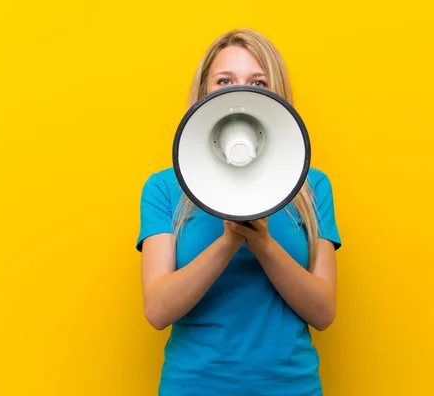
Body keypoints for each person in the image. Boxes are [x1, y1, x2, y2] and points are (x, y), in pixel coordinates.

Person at [136, 28, 342, 396]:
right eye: (224, 81)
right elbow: (157, 310)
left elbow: (324, 311)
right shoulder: (164, 189)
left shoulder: (312, 188)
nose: (239, 92)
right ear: (204, 92)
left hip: (290, 387)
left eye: (258, 83)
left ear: (276, 94)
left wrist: (262, 244)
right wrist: (230, 240)